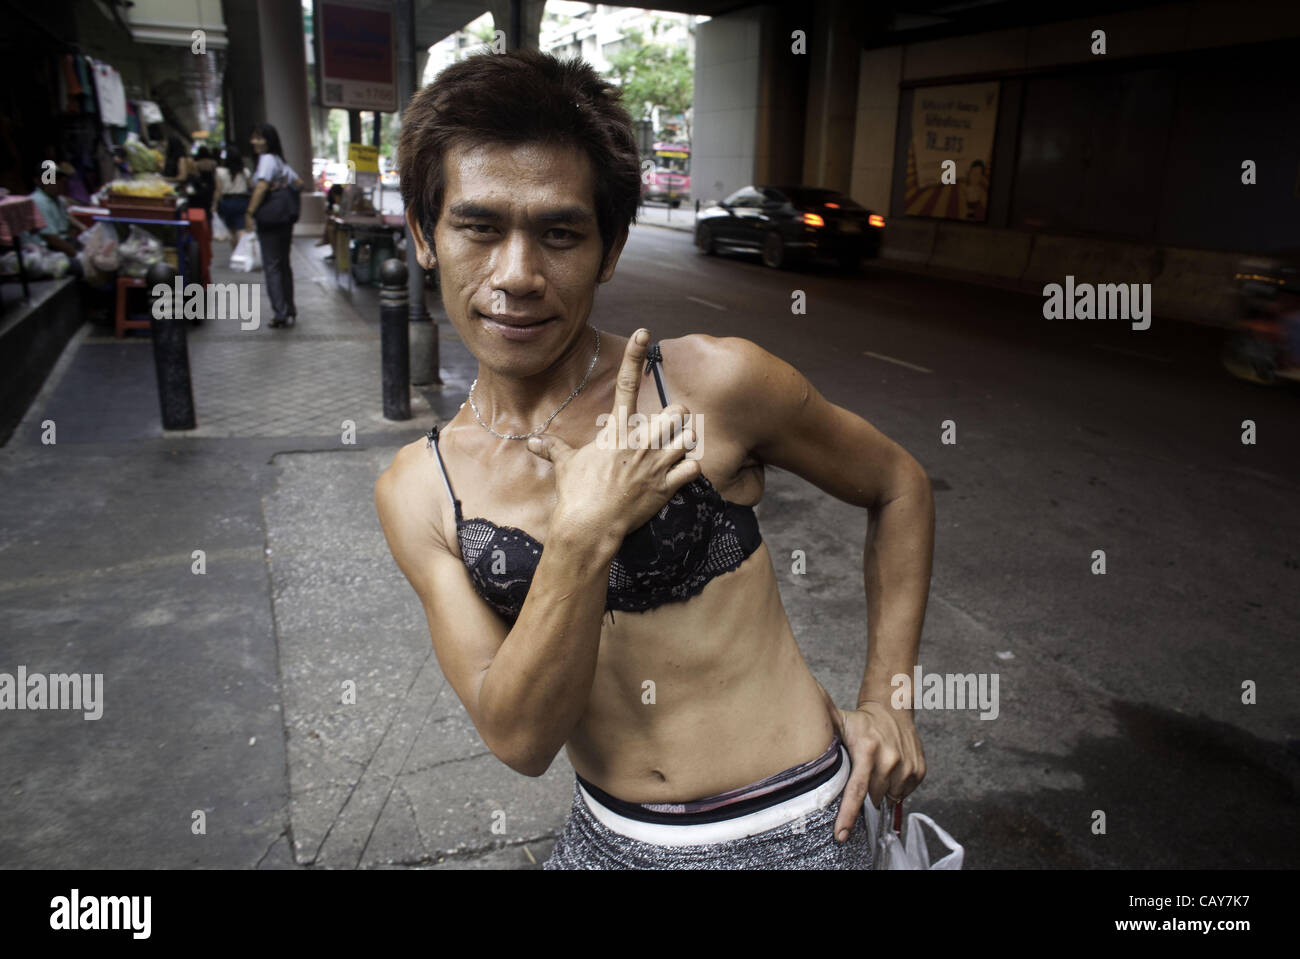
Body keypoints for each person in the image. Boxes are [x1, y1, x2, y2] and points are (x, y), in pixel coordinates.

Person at [375, 50, 933, 870]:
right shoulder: (422, 490)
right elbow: (521, 738)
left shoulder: (710, 381)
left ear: (609, 249)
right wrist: (585, 529)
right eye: (480, 226)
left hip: (807, 829)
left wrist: (889, 699)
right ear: (426, 234)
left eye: (559, 232)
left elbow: (898, 484)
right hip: (612, 842)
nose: (518, 275)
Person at [245, 123, 302, 328]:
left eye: (258, 138)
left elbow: (261, 186)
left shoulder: (268, 160)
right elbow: (299, 183)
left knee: (273, 265)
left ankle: (280, 312)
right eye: (254, 137)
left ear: (268, 140)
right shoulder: (280, 161)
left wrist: (250, 212)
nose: (254, 142)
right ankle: (289, 308)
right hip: (284, 218)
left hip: (270, 218)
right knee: (283, 264)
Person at [214, 146, 251, 248]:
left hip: (227, 202)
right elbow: (251, 186)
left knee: (232, 231)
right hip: (242, 201)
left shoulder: (219, 171)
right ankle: (243, 251)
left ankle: (236, 253)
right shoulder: (245, 171)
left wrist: (214, 205)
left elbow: (218, 190)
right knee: (242, 228)